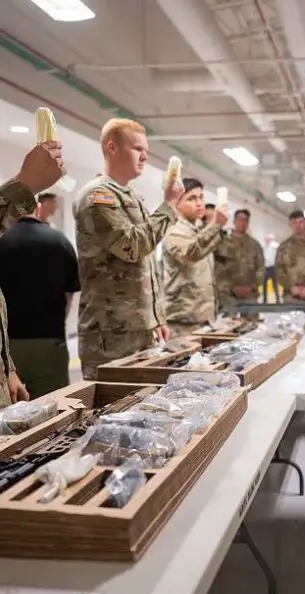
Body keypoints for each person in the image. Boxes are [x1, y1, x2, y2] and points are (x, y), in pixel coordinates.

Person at [73, 118, 183, 380]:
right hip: (110, 332)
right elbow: (132, 247)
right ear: (112, 148)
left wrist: (156, 317)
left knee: (139, 400)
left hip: (138, 329)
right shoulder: (97, 197)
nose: (145, 156)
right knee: (113, 402)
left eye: (146, 150)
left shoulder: (131, 197)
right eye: (137, 148)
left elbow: (146, 265)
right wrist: (168, 205)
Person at [0, 141, 65, 405]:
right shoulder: (58, 240)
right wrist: (25, 183)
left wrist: (7, 369)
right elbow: (69, 292)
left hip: (13, 346)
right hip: (48, 336)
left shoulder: (8, 239)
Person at [0, 201, 80, 399]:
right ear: (37, 207)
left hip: (9, 347)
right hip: (50, 341)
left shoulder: (3, 241)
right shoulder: (60, 241)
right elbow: (69, 294)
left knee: (9, 411)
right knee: (52, 406)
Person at [163, 178, 228, 336]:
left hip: (202, 319)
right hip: (182, 323)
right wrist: (215, 224)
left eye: (201, 197)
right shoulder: (173, 229)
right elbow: (190, 254)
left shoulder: (196, 231)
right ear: (177, 202)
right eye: (191, 199)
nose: (199, 203)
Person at [216, 209, 264, 312]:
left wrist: (251, 287)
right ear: (234, 221)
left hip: (250, 297)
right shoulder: (223, 244)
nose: (242, 222)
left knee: (251, 322)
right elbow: (217, 269)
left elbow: (261, 268)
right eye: (240, 219)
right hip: (227, 297)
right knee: (228, 322)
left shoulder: (255, 245)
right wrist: (231, 288)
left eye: (245, 220)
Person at [262, 233, 280, 303]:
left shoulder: (275, 246)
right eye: (266, 239)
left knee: (275, 284)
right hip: (265, 267)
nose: (267, 240)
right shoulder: (264, 247)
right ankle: (264, 300)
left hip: (273, 267)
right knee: (264, 284)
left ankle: (278, 300)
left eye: (269, 239)